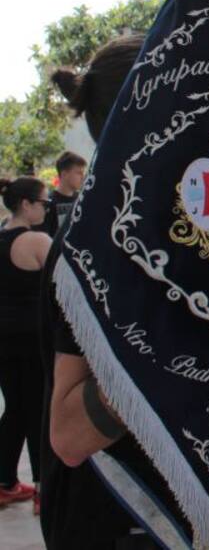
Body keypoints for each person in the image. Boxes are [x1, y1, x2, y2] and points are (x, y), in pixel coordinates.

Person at [42, 34, 191, 548]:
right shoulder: (90, 241)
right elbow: (68, 435)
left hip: (179, 511)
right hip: (114, 516)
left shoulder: (170, 229)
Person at [0, 176, 51, 509]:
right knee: (38, 410)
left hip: (3, 338)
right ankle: (44, 488)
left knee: (15, 407)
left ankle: (4, 481)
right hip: (33, 337)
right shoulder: (37, 240)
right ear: (26, 204)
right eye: (44, 203)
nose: (47, 209)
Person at [36, 152, 87, 237]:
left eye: (83, 173)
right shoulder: (49, 203)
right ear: (64, 174)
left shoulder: (82, 199)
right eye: (79, 173)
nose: (83, 177)